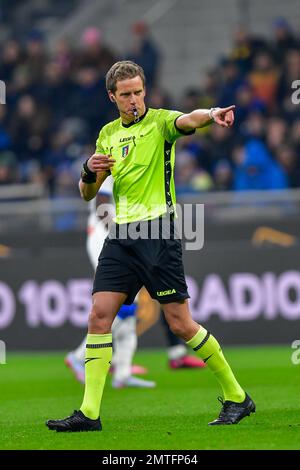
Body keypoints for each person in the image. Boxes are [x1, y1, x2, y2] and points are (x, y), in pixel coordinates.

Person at [46, 60, 255, 432]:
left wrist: (212, 113)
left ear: (145, 91)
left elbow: (188, 120)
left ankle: (237, 396)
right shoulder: (107, 134)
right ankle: (89, 413)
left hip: (157, 234)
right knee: (99, 315)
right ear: (112, 96)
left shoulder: (160, 122)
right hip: (121, 236)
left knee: (180, 324)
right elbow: (86, 195)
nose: (134, 100)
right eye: (125, 95)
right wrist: (88, 171)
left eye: (138, 92)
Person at [65, 174, 155, 388]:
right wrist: (120, 234)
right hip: (104, 237)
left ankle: (123, 373)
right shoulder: (113, 167)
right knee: (118, 298)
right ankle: (79, 356)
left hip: (120, 235)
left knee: (129, 305)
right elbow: (100, 203)